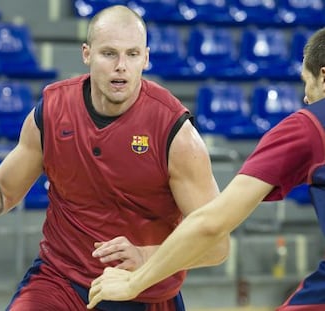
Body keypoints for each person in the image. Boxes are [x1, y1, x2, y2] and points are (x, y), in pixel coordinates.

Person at [0, 5, 229, 311]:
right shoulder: (52, 111)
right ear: (86, 54)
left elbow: (216, 245)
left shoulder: (177, 134)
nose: (121, 65)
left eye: (132, 54)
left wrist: (147, 257)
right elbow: (5, 188)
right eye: (109, 53)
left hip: (146, 291)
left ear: (145, 58)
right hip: (60, 282)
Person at [87, 27, 325, 311]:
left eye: (306, 84)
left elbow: (213, 223)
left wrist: (134, 282)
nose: (306, 99)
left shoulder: (309, 125)